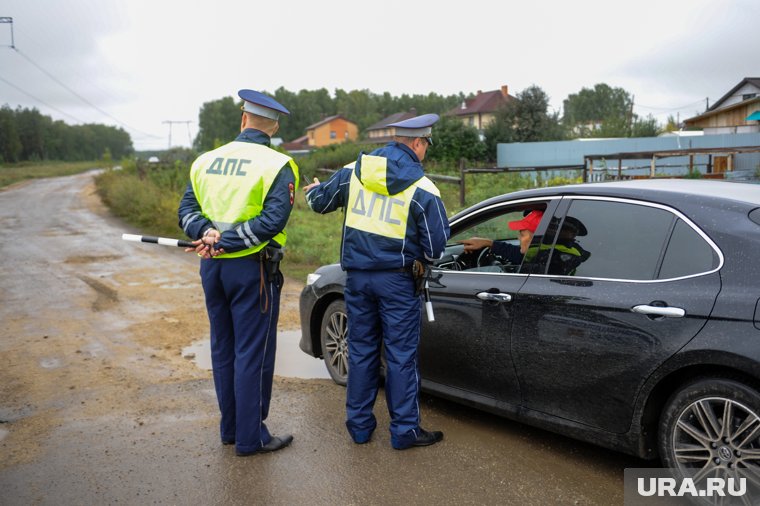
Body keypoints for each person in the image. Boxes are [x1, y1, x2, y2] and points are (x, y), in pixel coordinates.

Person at [303, 114, 450, 450]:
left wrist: (312, 191)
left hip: (356, 280)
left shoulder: (352, 173)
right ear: (416, 142)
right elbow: (437, 247)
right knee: (400, 356)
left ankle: (359, 427)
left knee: (362, 352)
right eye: (425, 144)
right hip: (398, 283)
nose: (425, 150)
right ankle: (404, 432)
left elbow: (318, 202)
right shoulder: (423, 188)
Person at [177, 89, 298, 457]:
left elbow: (186, 210)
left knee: (223, 347)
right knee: (252, 353)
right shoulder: (278, 165)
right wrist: (229, 241)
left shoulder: (205, 160)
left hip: (212, 268)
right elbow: (272, 220)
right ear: (273, 127)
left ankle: (230, 429)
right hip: (252, 269)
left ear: (243, 119)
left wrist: (205, 233)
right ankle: (251, 438)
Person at [460, 210, 544, 264]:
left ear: (537, 239)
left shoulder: (545, 263)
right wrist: (488, 243)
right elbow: (517, 254)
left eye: (522, 235)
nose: (518, 238)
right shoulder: (541, 257)